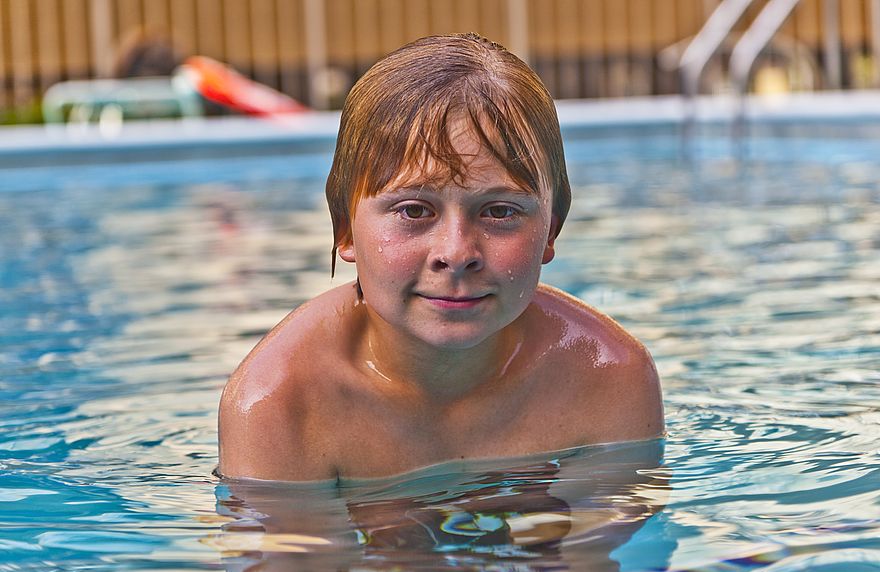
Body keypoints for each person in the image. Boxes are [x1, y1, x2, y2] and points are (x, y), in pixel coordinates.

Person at [218, 33, 664, 482]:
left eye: (499, 211)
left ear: (550, 230)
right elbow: (291, 553)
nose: (456, 253)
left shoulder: (607, 377)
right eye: (413, 211)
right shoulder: (281, 404)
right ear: (345, 231)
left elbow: (609, 549)